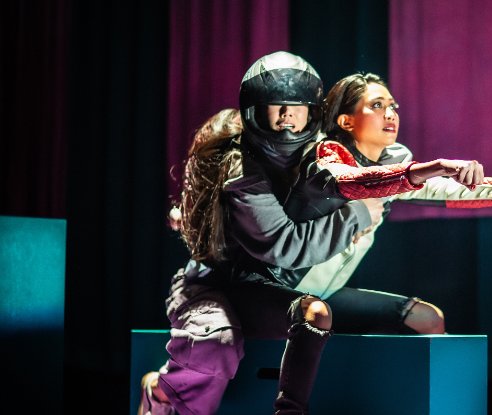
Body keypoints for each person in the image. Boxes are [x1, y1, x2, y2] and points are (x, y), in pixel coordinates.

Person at [138, 52, 386, 415]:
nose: (287, 115)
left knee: (319, 314)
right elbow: (284, 246)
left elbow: (398, 173)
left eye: (297, 106)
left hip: (264, 286)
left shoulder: (322, 155)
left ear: (312, 111)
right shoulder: (239, 166)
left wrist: (465, 181)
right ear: (256, 110)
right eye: (276, 104)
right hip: (213, 284)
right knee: (214, 341)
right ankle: (161, 395)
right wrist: (357, 215)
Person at [284, 72, 492, 302]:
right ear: (346, 121)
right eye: (377, 106)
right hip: (287, 290)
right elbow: (352, 182)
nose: (390, 114)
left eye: (392, 106)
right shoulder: (325, 155)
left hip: (327, 294)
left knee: (426, 318)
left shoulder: (394, 166)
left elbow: (455, 190)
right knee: (315, 316)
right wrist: (433, 167)